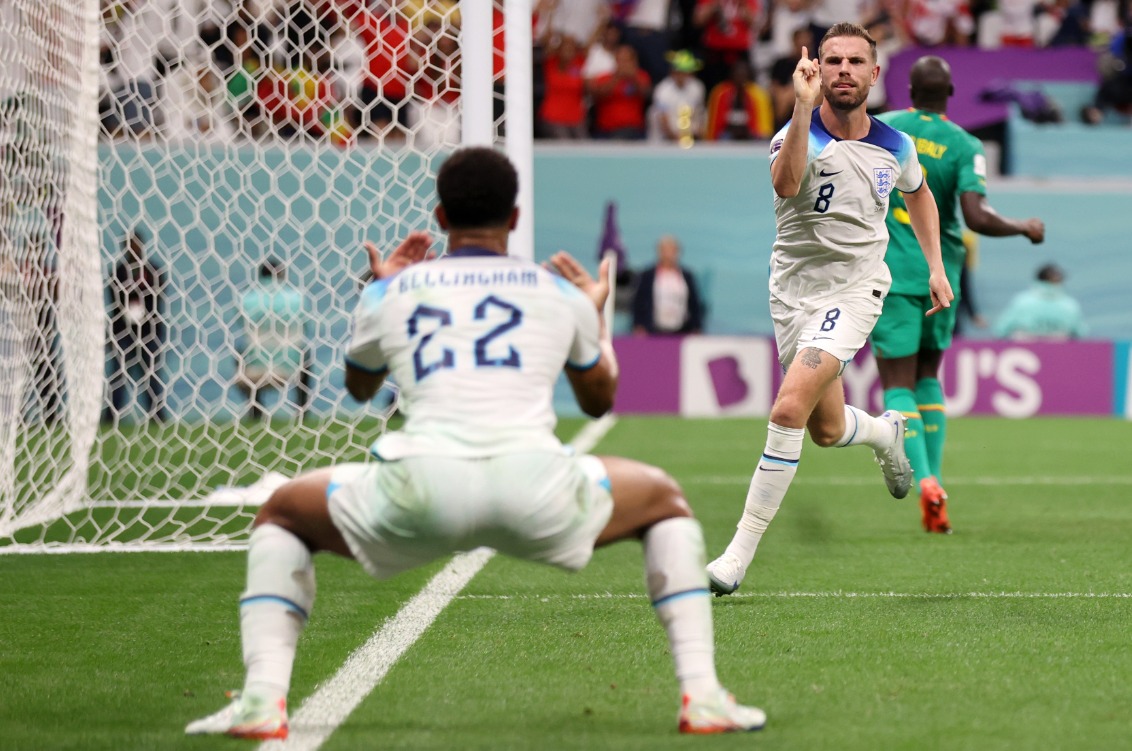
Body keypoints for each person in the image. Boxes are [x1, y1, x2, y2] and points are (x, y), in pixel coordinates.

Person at [184, 147, 766, 739]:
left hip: (417, 489)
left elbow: (359, 388)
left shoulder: (393, 292)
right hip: (534, 486)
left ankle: (261, 700)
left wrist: (381, 288)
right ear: (515, 219)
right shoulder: (556, 292)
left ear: (439, 217)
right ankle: (703, 696)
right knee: (665, 501)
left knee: (282, 513)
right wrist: (594, 315)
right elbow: (597, 401)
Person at [705, 23, 953, 596]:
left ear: (874, 73)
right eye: (832, 60)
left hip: (856, 290)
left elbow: (919, 194)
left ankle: (737, 555)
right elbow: (788, 184)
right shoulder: (798, 134)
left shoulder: (896, 145)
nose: (843, 69)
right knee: (825, 428)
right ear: (816, 68)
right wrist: (800, 109)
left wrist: (935, 265)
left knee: (788, 407)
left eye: (854, 61)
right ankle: (886, 433)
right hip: (792, 294)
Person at [872, 55, 1045, 534]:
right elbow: (977, 216)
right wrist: (1023, 226)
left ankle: (924, 479)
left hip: (889, 276)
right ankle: (939, 480)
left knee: (897, 384)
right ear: (949, 95)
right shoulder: (965, 144)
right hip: (942, 274)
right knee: (929, 375)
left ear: (908, 90)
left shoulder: (882, 129)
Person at [234, 258, 311, 422]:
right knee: (306, 352)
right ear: (281, 274)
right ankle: (302, 408)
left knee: (239, 350)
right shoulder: (297, 298)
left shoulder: (246, 299)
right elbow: (306, 326)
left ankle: (255, 408)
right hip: (292, 365)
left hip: (254, 366)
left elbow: (242, 324)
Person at [104, 228, 168, 424]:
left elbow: (159, 300)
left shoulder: (153, 270)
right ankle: (111, 418)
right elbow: (114, 302)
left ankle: (156, 416)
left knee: (151, 376)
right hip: (124, 332)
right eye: (130, 244)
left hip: (148, 332)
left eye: (136, 244)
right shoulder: (118, 272)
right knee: (118, 377)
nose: (133, 248)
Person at [632, 235, 705, 335]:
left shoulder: (687, 276)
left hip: (682, 329)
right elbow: (639, 301)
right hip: (654, 329)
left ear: (677, 252)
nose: (668, 254)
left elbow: (694, 303)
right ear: (659, 252)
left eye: (672, 250)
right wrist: (639, 324)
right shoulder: (647, 275)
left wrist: (696, 326)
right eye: (664, 250)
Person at [994, 263, 1086, 341]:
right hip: (1059, 356)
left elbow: (1001, 330)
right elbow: (1081, 333)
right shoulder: (1069, 305)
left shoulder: (1022, 301)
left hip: (1026, 354)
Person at [648, 50, 707, 145]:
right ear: (672, 72)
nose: (681, 75)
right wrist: (677, 140)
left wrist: (696, 135)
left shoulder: (697, 87)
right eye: (678, 71)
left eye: (685, 71)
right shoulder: (662, 90)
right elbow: (663, 121)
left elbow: (699, 115)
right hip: (664, 141)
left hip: (689, 139)